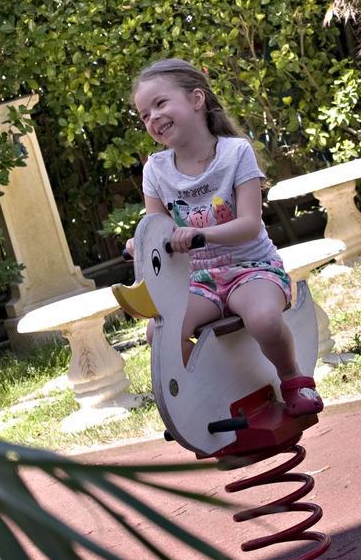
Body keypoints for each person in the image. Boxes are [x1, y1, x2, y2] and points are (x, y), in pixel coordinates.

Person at [126, 58, 323, 417]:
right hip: (197, 279)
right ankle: (202, 399)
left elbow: (249, 224)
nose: (152, 117)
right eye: (143, 115)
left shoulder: (235, 153)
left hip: (250, 267)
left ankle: (292, 378)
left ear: (197, 99)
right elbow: (157, 229)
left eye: (160, 104)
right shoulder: (155, 169)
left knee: (263, 318)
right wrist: (142, 245)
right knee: (159, 335)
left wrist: (201, 233)